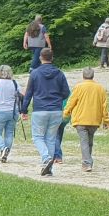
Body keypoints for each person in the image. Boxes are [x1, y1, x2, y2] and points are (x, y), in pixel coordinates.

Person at [20, 48, 70, 176]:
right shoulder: (59, 73)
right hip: (56, 110)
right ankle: (49, 168)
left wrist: (24, 109)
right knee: (51, 138)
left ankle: (46, 158)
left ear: (40, 58)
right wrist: (57, 99)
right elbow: (66, 93)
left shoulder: (35, 73)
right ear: (52, 58)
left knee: (37, 137)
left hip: (40, 109)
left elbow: (29, 93)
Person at [63, 67, 109, 172]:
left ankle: (86, 163)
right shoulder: (100, 88)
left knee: (84, 142)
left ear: (83, 76)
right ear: (93, 76)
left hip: (80, 119)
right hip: (94, 120)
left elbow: (71, 101)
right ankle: (88, 162)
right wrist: (106, 120)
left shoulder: (79, 87)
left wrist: (65, 112)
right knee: (89, 142)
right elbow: (104, 106)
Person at [0, 65, 23, 163]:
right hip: (13, 111)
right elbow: (22, 94)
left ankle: (3, 148)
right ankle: (5, 152)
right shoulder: (15, 83)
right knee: (9, 133)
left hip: (0, 110)